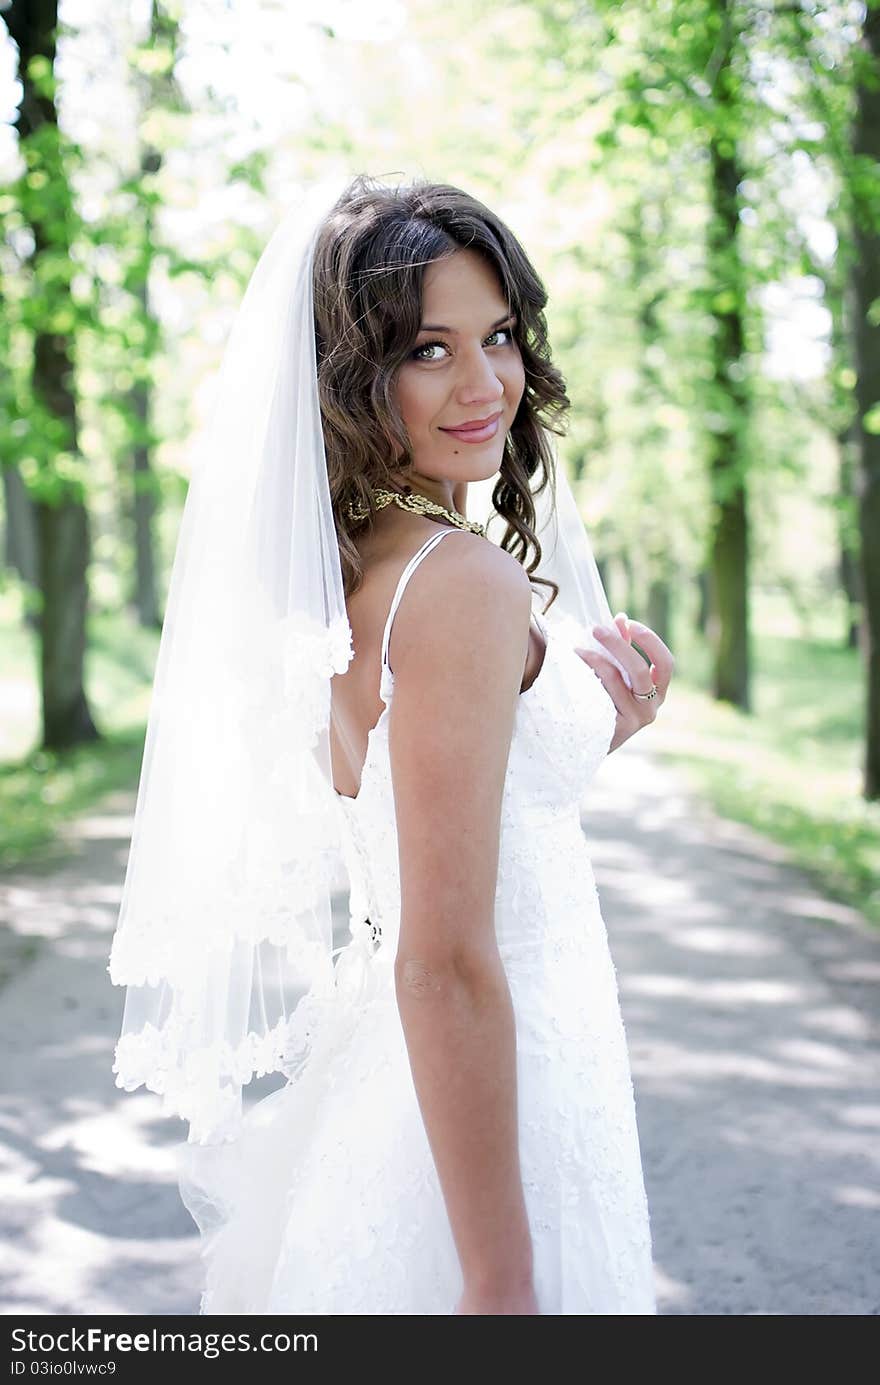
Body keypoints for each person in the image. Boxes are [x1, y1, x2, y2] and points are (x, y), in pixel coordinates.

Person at [108, 173, 674, 1316]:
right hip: (497, 1103)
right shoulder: (459, 579)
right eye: (429, 349)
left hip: (405, 1094)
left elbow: (414, 812)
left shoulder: (354, 565)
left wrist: (586, 729)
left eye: (500, 336)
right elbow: (444, 957)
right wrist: (500, 1278)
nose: (485, 384)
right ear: (353, 379)